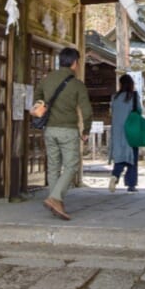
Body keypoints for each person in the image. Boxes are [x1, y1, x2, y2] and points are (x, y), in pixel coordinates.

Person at [39, 46, 92, 221]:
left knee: (53, 166)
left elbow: (36, 98)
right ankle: (55, 198)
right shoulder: (77, 84)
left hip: (49, 129)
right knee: (71, 165)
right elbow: (86, 111)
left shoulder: (46, 80)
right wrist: (86, 130)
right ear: (75, 63)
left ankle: (56, 202)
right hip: (68, 130)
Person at [107, 73, 140, 193]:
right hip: (131, 131)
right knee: (132, 158)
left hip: (117, 132)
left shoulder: (115, 97)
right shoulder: (134, 96)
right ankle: (131, 185)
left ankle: (115, 175)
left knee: (120, 157)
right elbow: (139, 111)